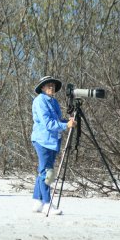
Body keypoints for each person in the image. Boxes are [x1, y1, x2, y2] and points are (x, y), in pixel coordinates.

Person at [31, 76, 76, 215]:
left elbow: (56, 120)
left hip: (53, 142)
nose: (51, 87)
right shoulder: (40, 101)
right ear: (42, 88)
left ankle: (37, 202)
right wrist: (64, 125)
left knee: (43, 171)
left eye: (53, 85)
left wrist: (67, 121)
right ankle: (47, 204)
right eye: (48, 85)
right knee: (47, 173)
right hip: (43, 140)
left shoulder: (54, 102)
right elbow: (48, 124)